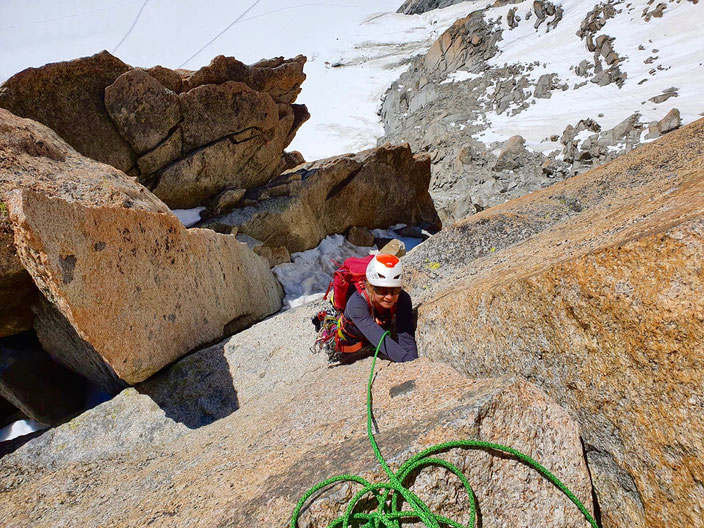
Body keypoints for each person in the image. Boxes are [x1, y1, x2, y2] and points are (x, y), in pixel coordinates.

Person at [335, 253, 418, 363]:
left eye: (395, 290)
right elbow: (381, 340)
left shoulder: (403, 298)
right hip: (352, 341)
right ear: (370, 287)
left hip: (377, 329)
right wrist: (409, 363)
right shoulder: (356, 304)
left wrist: (415, 363)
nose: (389, 297)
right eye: (382, 290)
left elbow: (406, 336)